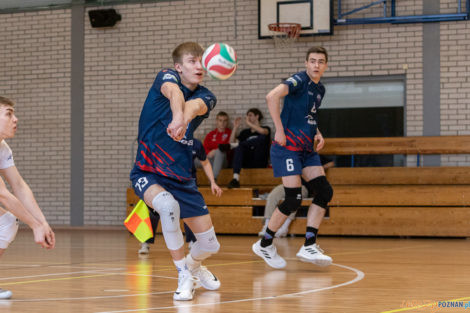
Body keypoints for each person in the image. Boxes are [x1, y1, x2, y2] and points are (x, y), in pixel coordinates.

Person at [130, 42, 221, 301]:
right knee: (168, 208)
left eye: (202, 61)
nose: (199, 66)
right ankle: (183, 274)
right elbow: (175, 94)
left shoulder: (207, 95)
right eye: (193, 61)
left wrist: (182, 118)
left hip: (181, 177)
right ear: (178, 67)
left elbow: (194, 107)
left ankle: (194, 266)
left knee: (210, 245)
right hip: (148, 171)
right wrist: (177, 116)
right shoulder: (166, 77)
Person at [252, 46, 333, 269]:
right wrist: (278, 129)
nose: (316, 65)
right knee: (293, 199)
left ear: (325, 66)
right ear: (306, 63)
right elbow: (272, 96)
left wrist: (316, 132)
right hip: (287, 148)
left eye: (321, 61)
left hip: (306, 149)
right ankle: (265, 243)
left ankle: (309, 244)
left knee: (325, 191)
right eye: (313, 61)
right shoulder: (298, 80)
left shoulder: (320, 89)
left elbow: (309, 115)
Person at [0, 96, 56, 299]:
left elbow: (19, 186)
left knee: (6, 222)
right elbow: (4, 195)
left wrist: (42, 222)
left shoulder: (3, 148)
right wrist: (34, 225)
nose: (15, 119)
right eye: (8, 113)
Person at [138, 138, 222, 254]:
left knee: (190, 212)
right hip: (164, 182)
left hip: (186, 184)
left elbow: (205, 162)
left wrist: (212, 182)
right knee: (153, 213)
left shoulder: (195, 144)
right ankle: (145, 242)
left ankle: (192, 241)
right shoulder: (165, 141)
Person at [258, 155, 334, 238]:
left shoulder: (313, 155)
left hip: (304, 187)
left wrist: (317, 169)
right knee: (272, 195)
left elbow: (331, 163)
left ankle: (284, 228)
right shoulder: (291, 154)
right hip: (288, 184)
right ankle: (266, 226)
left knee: (293, 198)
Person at [226, 108, 271, 188]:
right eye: (247, 116)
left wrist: (248, 123)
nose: (248, 118)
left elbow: (263, 132)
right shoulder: (245, 132)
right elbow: (231, 142)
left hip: (259, 159)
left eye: (250, 115)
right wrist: (235, 127)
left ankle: (237, 145)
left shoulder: (266, 128)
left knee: (262, 138)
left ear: (257, 116)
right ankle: (235, 179)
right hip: (247, 161)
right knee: (238, 146)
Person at [202, 111, 231, 181]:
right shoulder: (210, 134)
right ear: (216, 121)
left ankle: (213, 179)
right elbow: (204, 148)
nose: (222, 123)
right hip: (210, 159)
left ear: (227, 122)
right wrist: (208, 153)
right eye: (220, 120)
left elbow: (229, 146)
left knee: (219, 151)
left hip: (223, 161)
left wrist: (215, 151)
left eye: (225, 121)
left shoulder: (229, 133)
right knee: (194, 156)